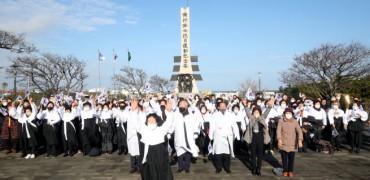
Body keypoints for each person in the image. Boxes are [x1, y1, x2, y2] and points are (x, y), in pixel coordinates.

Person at [138, 107, 174, 179]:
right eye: (149, 121)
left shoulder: (161, 130)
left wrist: (169, 112)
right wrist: (134, 111)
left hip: (159, 153)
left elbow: (168, 123)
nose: (151, 122)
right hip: (147, 154)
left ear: (157, 122)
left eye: (153, 121)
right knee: (148, 172)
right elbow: (136, 123)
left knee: (160, 171)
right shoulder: (144, 129)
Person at [244, 99, 273, 176]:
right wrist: (245, 106)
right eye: (255, 112)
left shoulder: (262, 118)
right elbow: (247, 112)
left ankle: (258, 169)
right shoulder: (251, 118)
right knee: (253, 155)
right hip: (253, 138)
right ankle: (253, 168)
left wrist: (269, 106)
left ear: (260, 112)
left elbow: (267, 112)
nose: (256, 113)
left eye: (257, 112)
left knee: (260, 155)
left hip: (260, 139)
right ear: (253, 112)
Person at [169, 99, 199, 173]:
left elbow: (195, 125)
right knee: (179, 153)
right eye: (180, 105)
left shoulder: (191, 115)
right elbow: (173, 125)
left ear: (186, 106)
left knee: (188, 153)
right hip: (179, 137)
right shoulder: (176, 114)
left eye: (183, 105)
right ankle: (180, 167)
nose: (181, 106)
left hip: (188, 137)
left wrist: (195, 133)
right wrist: (169, 132)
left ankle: (187, 167)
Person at [209, 102, 240, 174]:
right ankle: (218, 168)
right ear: (218, 107)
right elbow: (212, 125)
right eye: (221, 106)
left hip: (227, 137)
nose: (222, 107)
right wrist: (211, 134)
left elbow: (234, 125)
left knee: (227, 154)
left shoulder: (230, 115)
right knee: (218, 153)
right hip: (218, 137)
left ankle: (227, 167)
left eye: (224, 106)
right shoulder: (215, 115)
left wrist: (237, 133)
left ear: (226, 107)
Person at [277, 108, 303, 177]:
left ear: (292, 114)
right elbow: (278, 131)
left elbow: (299, 131)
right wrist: (279, 139)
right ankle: (285, 170)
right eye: (287, 113)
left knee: (291, 158)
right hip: (283, 142)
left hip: (292, 143)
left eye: (289, 113)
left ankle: (290, 171)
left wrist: (300, 140)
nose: (288, 115)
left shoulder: (295, 121)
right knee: (284, 158)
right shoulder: (281, 121)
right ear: (284, 114)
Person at [126, 97, 146, 173]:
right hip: (131, 135)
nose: (134, 104)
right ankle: (133, 166)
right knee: (132, 151)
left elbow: (143, 122)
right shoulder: (128, 112)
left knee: (139, 151)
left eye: (135, 102)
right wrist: (132, 110)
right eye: (132, 103)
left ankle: (138, 166)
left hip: (139, 134)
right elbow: (123, 118)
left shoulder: (141, 113)